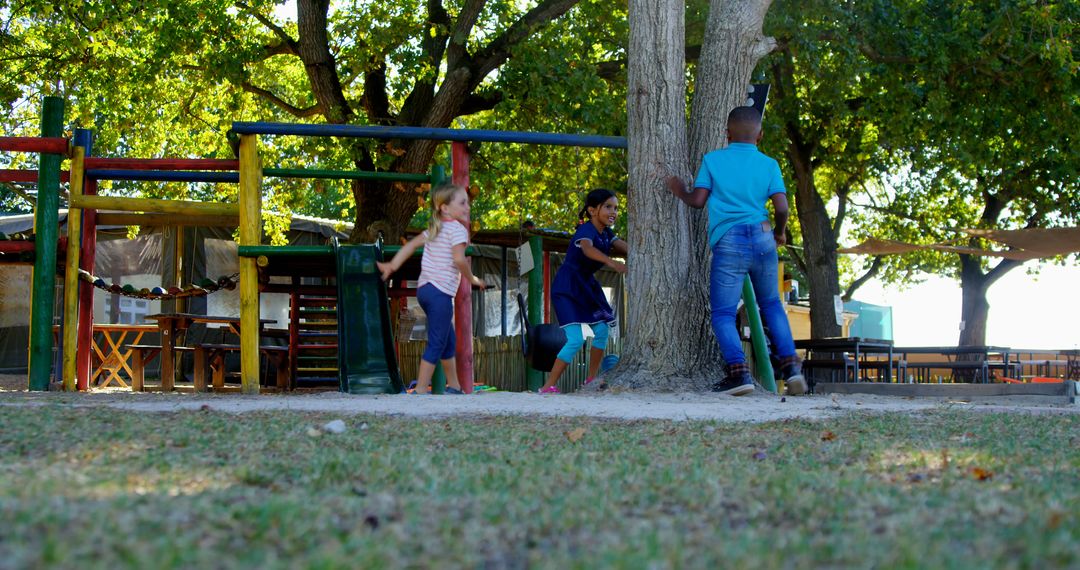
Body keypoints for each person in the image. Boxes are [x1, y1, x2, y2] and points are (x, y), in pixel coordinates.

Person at [667, 106, 807, 397]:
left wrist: (678, 189)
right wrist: (780, 232)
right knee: (771, 305)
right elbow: (782, 207)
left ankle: (739, 373)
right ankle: (792, 369)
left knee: (722, 312)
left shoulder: (713, 160)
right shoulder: (769, 164)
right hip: (763, 236)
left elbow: (697, 201)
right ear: (761, 135)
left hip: (729, 240)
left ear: (726, 133)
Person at [377, 183, 485, 395]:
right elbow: (459, 260)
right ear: (445, 208)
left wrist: (393, 265)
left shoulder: (434, 230)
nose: (467, 207)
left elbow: (409, 245)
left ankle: (453, 386)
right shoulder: (457, 230)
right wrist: (472, 278)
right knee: (437, 341)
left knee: (447, 339)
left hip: (425, 290)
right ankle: (419, 391)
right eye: (462, 203)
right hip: (440, 293)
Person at [537, 188, 628, 394]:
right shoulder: (586, 230)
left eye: (616, 208)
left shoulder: (607, 233)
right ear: (592, 210)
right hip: (568, 287)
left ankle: (591, 379)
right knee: (576, 339)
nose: (613, 212)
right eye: (608, 207)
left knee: (602, 331)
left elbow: (621, 245)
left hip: (587, 287)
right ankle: (547, 386)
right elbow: (587, 249)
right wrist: (611, 262)